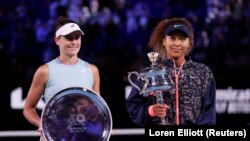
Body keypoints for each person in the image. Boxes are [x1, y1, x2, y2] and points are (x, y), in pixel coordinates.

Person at [126, 17, 216, 125]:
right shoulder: (151, 73)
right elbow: (134, 107)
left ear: (189, 43)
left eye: (182, 39)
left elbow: (208, 115)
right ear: (164, 41)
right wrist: (151, 111)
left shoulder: (203, 73)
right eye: (172, 38)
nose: (177, 43)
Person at [23, 16, 100, 140]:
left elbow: (96, 110)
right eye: (69, 38)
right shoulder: (45, 71)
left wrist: (100, 127)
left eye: (77, 37)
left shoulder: (92, 70)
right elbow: (28, 108)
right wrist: (42, 125)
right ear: (57, 40)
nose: (74, 42)